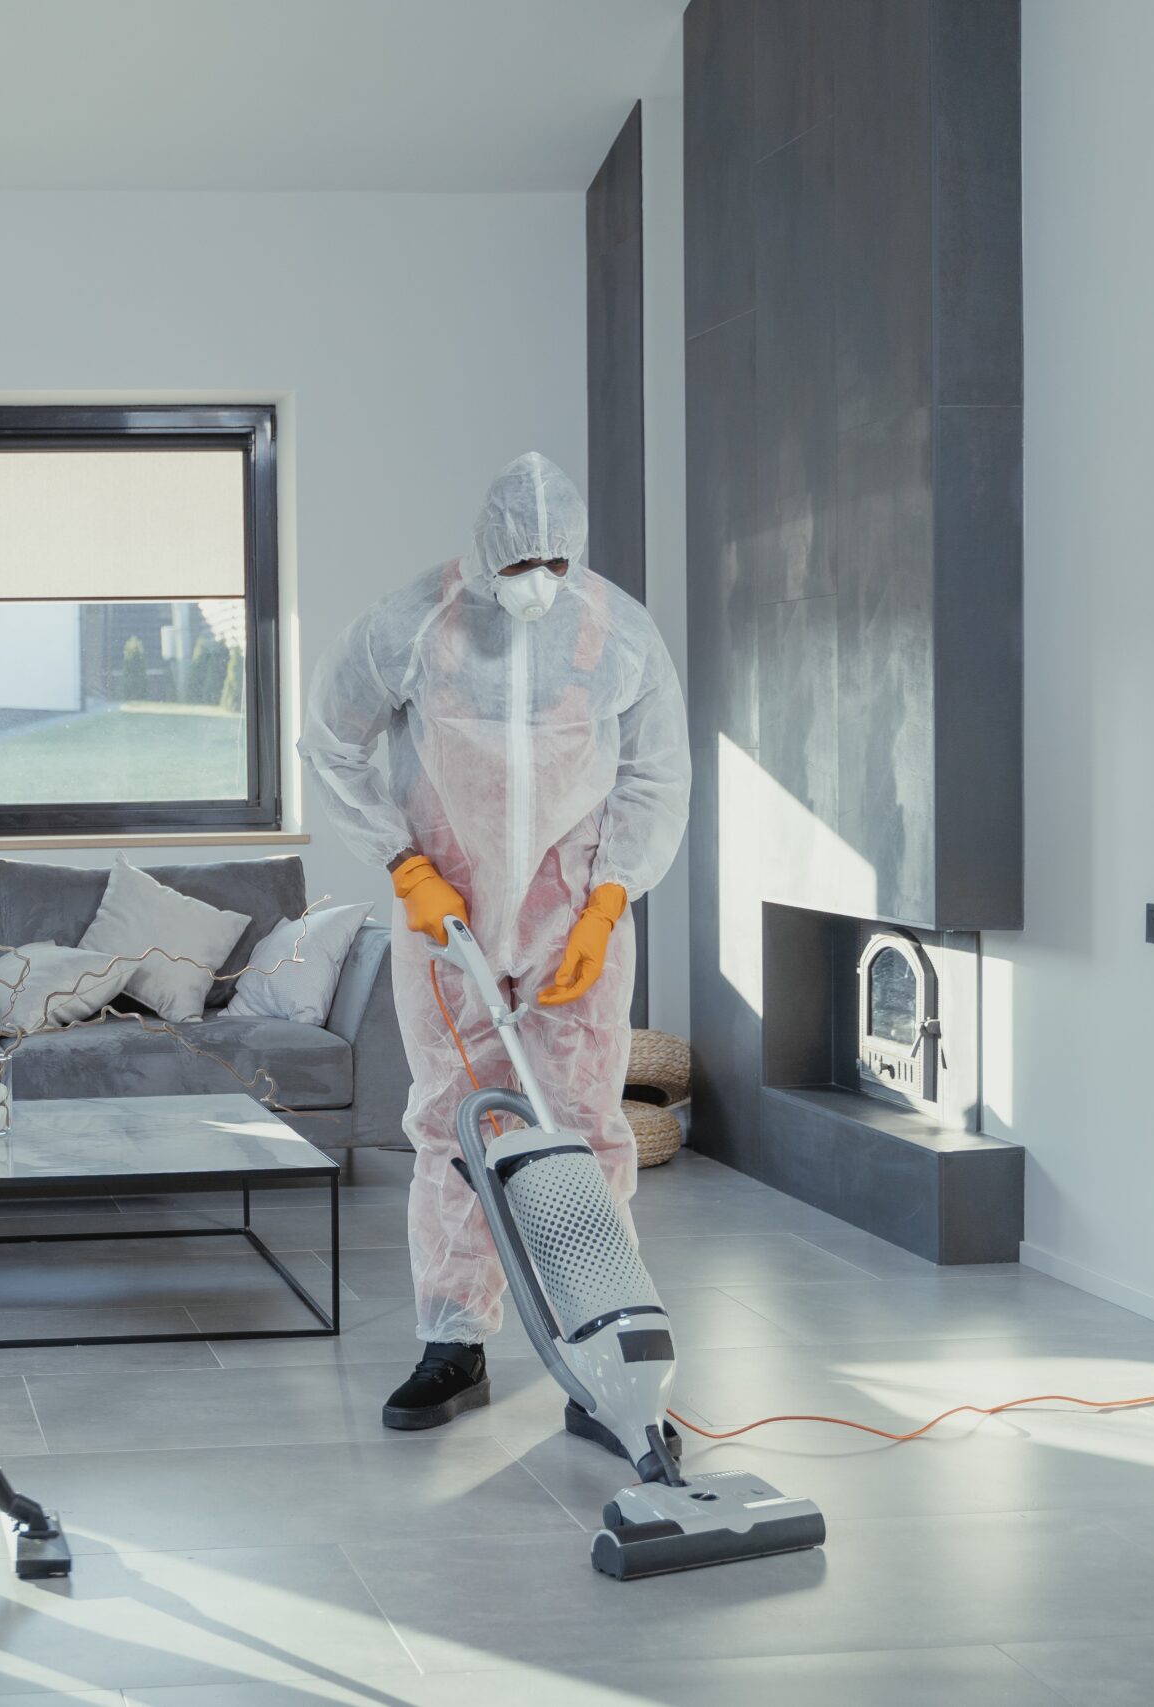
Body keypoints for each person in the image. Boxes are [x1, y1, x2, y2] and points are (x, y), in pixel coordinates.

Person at [300, 452, 689, 1435]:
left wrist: (607, 903)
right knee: (452, 1122)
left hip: (572, 913)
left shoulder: (617, 633)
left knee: (587, 1130)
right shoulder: (414, 625)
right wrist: (402, 864)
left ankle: (602, 1360)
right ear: (485, 557)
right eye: (523, 562)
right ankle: (453, 1343)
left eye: (556, 561)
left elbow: (656, 776)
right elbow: (329, 740)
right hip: (450, 914)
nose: (538, 580)